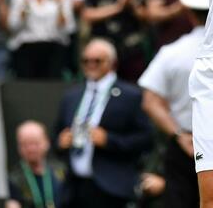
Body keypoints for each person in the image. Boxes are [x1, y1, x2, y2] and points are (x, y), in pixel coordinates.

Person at [54, 38, 153, 208]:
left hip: (110, 187)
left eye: (97, 61)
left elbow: (146, 139)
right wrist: (60, 142)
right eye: (86, 61)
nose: (90, 65)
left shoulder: (130, 95)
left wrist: (109, 140)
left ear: (112, 62)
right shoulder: (72, 96)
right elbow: (55, 134)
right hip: (74, 187)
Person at [138, 0, 209, 208]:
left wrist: (179, 134)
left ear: (189, 14)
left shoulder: (172, 52)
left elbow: (150, 102)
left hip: (183, 144)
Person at [7, 0, 75, 79]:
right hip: (26, 51)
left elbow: (69, 29)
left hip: (54, 51)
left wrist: (61, 6)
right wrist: (25, 5)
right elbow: (13, 26)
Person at [7, 120, 67, 208]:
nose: (31, 149)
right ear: (19, 147)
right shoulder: (13, 179)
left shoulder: (61, 171)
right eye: (25, 144)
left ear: (47, 143)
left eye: (36, 143)